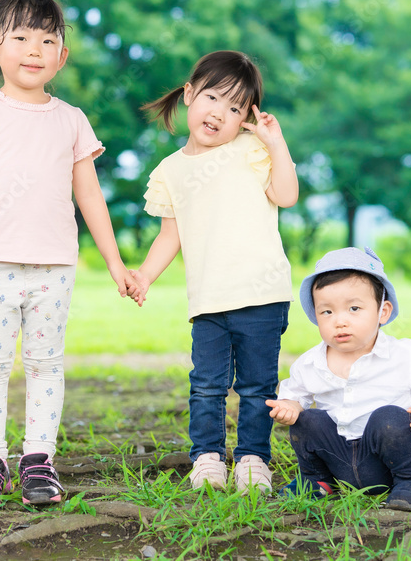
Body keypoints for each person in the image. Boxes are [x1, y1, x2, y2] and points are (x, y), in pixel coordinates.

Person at [0, 0, 134, 509]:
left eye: (48, 40)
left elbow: (91, 197)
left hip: (54, 266)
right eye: (20, 38)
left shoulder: (71, 119)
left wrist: (115, 263)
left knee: (46, 364)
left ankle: (39, 460)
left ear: (61, 56)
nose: (34, 49)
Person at [128, 51, 299, 492]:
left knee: (258, 385)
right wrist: (145, 274)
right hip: (208, 299)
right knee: (206, 385)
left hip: (262, 295)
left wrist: (275, 143)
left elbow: (286, 195)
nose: (220, 113)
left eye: (236, 107)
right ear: (189, 94)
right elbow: (171, 235)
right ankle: (206, 457)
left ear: (247, 118)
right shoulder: (170, 170)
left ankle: (252, 460)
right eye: (213, 98)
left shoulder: (250, 150)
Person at [266, 247, 411, 512]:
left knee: (389, 418)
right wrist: (290, 408)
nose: (340, 321)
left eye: (354, 308)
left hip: (389, 460)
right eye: (327, 312)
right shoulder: (310, 363)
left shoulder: (406, 355)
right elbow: (293, 397)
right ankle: (317, 480)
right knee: (308, 420)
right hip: (339, 458)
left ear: (383, 312)